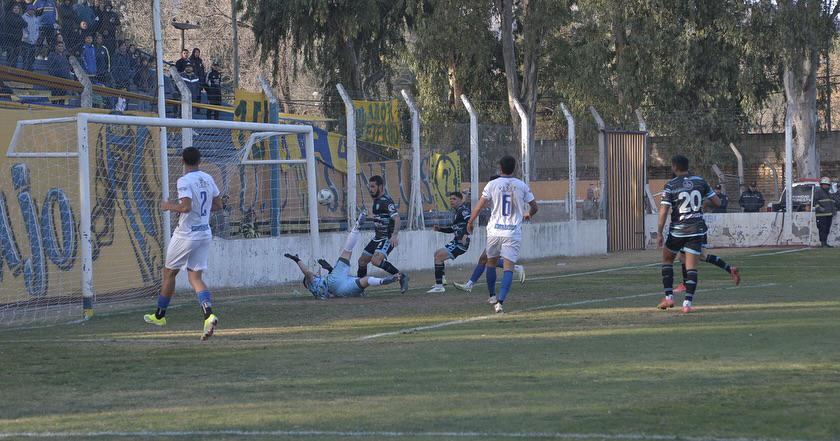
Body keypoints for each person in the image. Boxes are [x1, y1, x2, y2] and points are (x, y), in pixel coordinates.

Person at [144, 147, 223, 341]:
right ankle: (208, 315)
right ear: (200, 159)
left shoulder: (184, 180)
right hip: (204, 232)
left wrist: (167, 206)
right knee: (195, 278)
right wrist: (201, 212)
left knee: (169, 273)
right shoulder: (207, 178)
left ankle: (160, 316)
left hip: (186, 234)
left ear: (182, 161)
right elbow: (218, 205)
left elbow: (185, 207)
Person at [466, 155, 538, 313]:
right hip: (512, 233)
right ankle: (500, 302)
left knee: (490, 263)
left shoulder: (492, 184)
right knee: (508, 268)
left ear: (500, 167)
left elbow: (479, 207)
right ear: (515, 168)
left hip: (494, 231)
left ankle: (492, 296)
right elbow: (535, 207)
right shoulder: (522, 185)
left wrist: (470, 222)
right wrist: (528, 214)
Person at [286, 212, 403, 299]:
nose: (315, 275)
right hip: (333, 281)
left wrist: (330, 269)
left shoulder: (317, 293)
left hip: (341, 290)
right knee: (347, 250)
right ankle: (356, 227)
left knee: (366, 280)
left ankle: (385, 280)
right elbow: (308, 273)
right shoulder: (312, 282)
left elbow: (332, 294)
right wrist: (297, 260)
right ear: (308, 283)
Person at [657, 155, 721, 314]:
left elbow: (664, 210)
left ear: (674, 167)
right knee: (691, 266)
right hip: (696, 230)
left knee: (667, 258)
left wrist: (659, 232)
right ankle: (687, 304)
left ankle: (669, 297)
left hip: (678, 230)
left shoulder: (670, 185)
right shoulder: (700, 181)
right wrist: (700, 205)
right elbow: (718, 203)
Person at [453, 175, 526, 295]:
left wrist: (467, 198)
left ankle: (472, 286)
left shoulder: (496, 194)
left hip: (499, 232)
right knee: (486, 259)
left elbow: (482, 205)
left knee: (486, 259)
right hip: (506, 232)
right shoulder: (507, 193)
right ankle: (470, 284)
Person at [357, 175, 409, 293]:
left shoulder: (386, 201)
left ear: (380, 186)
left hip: (387, 238)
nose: (371, 189)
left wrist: (394, 235)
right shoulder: (376, 201)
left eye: (373, 186)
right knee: (362, 261)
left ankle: (401, 276)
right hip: (377, 238)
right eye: (369, 187)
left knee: (375, 260)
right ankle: (359, 288)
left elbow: (397, 218)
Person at [427, 192, 472, 293]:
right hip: (456, 241)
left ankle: (439, 287)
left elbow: (470, 222)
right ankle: (442, 280)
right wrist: (440, 229)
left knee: (439, 257)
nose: (451, 201)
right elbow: (453, 229)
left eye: (454, 199)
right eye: (451, 199)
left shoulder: (463, 210)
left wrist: (465, 234)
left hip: (461, 243)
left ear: (461, 200)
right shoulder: (456, 212)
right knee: (437, 254)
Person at [2, 3, 26, 68]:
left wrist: (17, 23)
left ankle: (14, 68)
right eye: (15, 8)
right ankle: (8, 68)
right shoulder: (9, 15)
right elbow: (14, 22)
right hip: (10, 39)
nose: (16, 10)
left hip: (18, 40)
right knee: (10, 54)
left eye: (17, 8)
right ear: (12, 9)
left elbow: (25, 24)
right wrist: (18, 23)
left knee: (16, 55)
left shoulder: (20, 17)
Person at [813, 177, 835, 248]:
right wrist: (819, 208)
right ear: (821, 185)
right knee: (822, 229)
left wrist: (833, 210)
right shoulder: (818, 192)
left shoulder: (829, 193)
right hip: (821, 215)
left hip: (829, 215)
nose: (826, 186)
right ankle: (823, 243)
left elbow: (832, 203)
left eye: (827, 185)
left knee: (827, 229)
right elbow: (815, 202)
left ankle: (825, 243)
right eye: (824, 184)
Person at [21, 5, 39, 70]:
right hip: (26, 41)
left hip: (33, 41)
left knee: (32, 57)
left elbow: (37, 29)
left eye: (33, 10)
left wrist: (36, 37)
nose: (32, 11)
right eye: (31, 10)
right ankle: (24, 69)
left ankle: (30, 69)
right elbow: (22, 28)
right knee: (25, 56)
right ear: (28, 10)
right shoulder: (23, 17)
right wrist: (26, 36)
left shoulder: (35, 18)